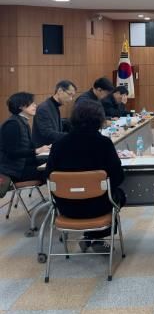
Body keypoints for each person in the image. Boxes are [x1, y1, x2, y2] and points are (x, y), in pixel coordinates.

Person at [45, 100, 125, 253]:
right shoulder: (104, 143)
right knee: (118, 195)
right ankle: (95, 238)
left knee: (103, 194)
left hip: (66, 207)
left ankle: (91, 238)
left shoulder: (59, 144)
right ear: (100, 119)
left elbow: (48, 176)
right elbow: (118, 176)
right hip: (98, 207)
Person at [0, 92, 50, 182]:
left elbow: (26, 148)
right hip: (13, 171)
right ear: (21, 106)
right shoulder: (12, 124)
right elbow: (11, 153)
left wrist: (44, 149)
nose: (35, 105)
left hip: (21, 167)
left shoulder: (21, 122)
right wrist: (37, 151)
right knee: (51, 171)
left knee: (52, 163)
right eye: (32, 103)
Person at [32, 80, 77, 147]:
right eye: (69, 94)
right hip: (43, 149)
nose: (71, 99)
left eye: (73, 96)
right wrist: (71, 136)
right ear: (60, 91)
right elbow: (47, 132)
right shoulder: (44, 108)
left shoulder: (53, 106)